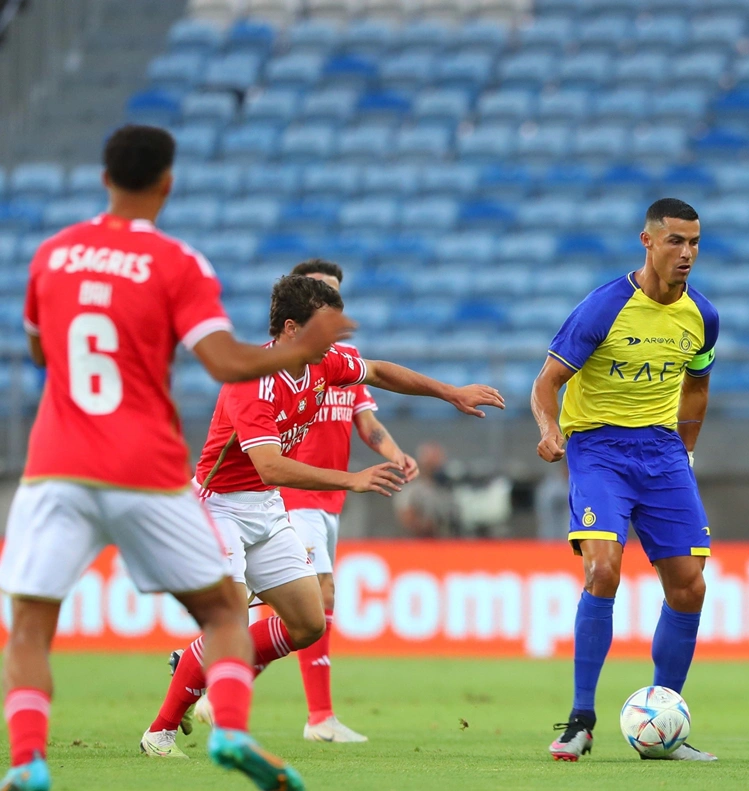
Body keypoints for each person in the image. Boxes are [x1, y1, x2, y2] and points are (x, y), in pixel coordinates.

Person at [0, 125, 353, 790]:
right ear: (167, 183)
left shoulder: (51, 255)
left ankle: (26, 763)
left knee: (29, 623)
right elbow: (222, 360)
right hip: (144, 466)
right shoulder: (178, 263)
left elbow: (43, 353)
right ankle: (231, 732)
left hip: (56, 461)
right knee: (223, 610)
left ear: (104, 178)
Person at [141, 275, 504, 757]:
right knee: (228, 625)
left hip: (265, 508)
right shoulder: (251, 378)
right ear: (291, 328)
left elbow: (377, 371)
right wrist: (351, 479)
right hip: (218, 508)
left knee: (309, 623)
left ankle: (193, 665)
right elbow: (268, 463)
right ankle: (161, 731)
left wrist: (449, 392)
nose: (335, 341)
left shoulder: (323, 363)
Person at [531, 198, 719, 762]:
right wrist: (548, 431)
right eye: (675, 242)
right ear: (647, 241)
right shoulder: (604, 307)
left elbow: (698, 386)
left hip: (662, 452)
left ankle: (666, 723)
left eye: (694, 243)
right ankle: (580, 720)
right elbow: (546, 385)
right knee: (603, 569)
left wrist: (685, 450)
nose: (686, 253)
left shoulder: (702, 316)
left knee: (690, 584)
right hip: (598, 449)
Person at [279, 259, 419, 742]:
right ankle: (320, 718)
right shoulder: (287, 361)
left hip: (330, 499)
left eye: (334, 293)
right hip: (292, 492)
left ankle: (206, 674)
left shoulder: (345, 360)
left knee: (280, 606)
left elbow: (365, 420)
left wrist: (396, 452)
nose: (329, 301)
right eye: (319, 291)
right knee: (319, 596)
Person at [394, 442, 459, 537]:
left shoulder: (443, 488)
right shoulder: (411, 489)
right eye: (432, 461)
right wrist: (426, 526)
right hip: (417, 544)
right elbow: (407, 517)